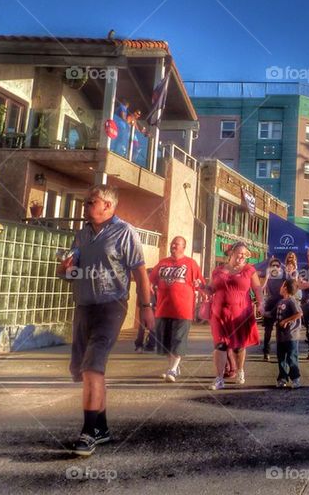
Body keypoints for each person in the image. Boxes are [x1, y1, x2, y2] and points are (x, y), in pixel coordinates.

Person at [57, 185, 153, 457]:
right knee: (83, 368)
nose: (86, 206)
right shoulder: (82, 234)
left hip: (112, 306)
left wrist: (146, 307)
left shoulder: (125, 232)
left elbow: (140, 272)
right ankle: (102, 428)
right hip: (84, 307)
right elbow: (68, 274)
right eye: (86, 202)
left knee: (92, 366)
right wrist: (66, 270)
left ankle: (87, 433)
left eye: (91, 202)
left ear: (108, 206)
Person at [206, 242, 262, 390]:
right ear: (232, 253)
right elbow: (211, 289)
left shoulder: (249, 270)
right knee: (220, 345)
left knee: (238, 347)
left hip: (240, 314)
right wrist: (201, 287)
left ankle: (240, 370)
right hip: (219, 314)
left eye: (245, 254)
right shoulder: (218, 271)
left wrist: (261, 303)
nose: (242, 256)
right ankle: (219, 378)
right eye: (240, 253)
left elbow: (257, 288)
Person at [148, 236, 203, 382]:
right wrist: (148, 286)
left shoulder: (191, 263)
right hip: (163, 308)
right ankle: (173, 367)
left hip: (183, 310)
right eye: (172, 243)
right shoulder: (162, 263)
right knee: (166, 343)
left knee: (178, 340)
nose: (173, 246)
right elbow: (151, 279)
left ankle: (172, 369)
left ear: (183, 247)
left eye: (176, 244)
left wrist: (201, 288)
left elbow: (201, 283)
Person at [274, 279, 303, 388]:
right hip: (280, 336)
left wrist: (286, 321)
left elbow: (299, 313)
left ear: (285, 288)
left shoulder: (291, 300)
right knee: (281, 358)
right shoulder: (281, 302)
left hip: (291, 336)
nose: (280, 288)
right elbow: (272, 314)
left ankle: (295, 379)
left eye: (282, 286)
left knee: (291, 357)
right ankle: (282, 378)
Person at [259, 257, 286, 362]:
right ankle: (266, 351)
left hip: (280, 303)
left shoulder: (283, 277)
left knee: (281, 329)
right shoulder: (267, 276)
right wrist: (267, 277)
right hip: (270, 303)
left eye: (277, 266)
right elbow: (260, 288)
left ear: (280, 268)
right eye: (272, 265)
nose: (275, 267)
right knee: (268, 330)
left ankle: (281, 352)